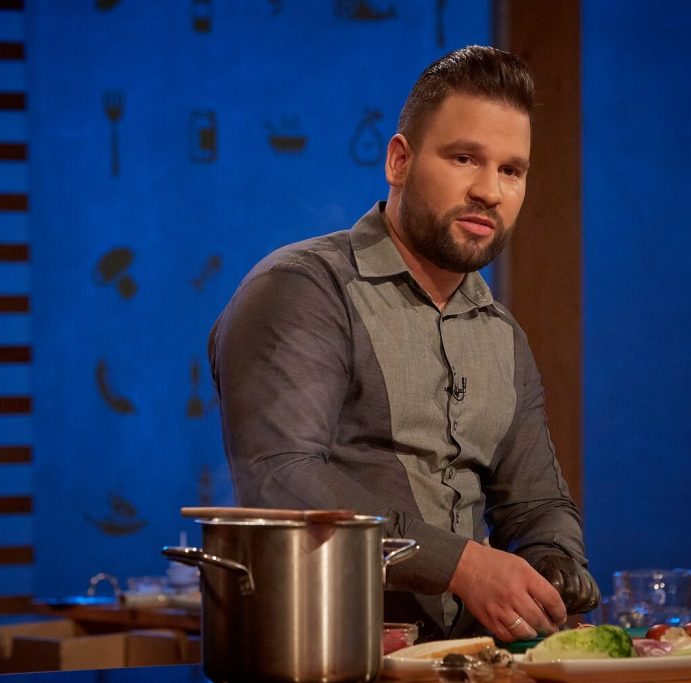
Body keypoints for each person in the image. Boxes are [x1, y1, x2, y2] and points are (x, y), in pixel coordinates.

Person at [209, 45, 599, 642]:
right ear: (399, 160)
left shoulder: (501, 333)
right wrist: (463, 565)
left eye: (511, 170)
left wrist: (555, 563)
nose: (490, 191)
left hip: (467, 662)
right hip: (324, 655)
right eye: (465, 158)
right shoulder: (303, 288)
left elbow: (534, 504)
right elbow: (281, 479)